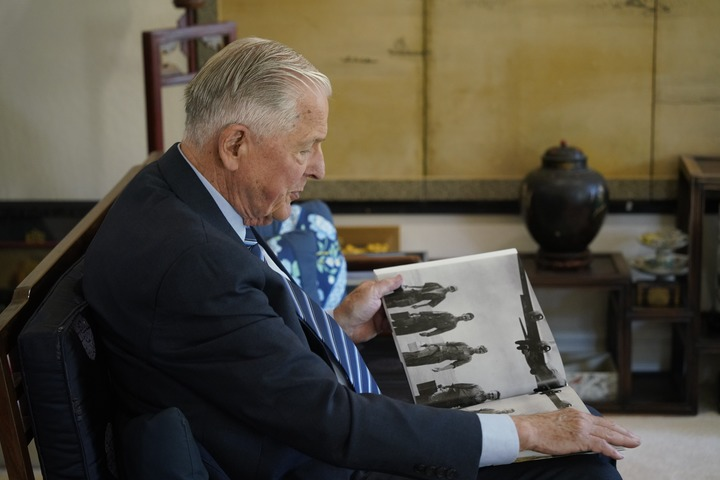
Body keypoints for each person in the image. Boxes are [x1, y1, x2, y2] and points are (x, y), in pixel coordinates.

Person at [83, 37, 640, 479]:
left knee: (562, 423)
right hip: (322, 460)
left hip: (300, 424)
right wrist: (527, 433)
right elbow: (331, 422)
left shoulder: (175, 192)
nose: (319, 167)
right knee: (579, 463)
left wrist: (337, 328)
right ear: (234, 145)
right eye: (305, 147)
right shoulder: (196, 261)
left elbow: (242, 360)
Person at [402, 342, 489, 371]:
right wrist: (430, 344)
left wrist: (441, 369)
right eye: (480, 349)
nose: (479, 351)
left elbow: (454, 365)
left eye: (481, 352)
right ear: (478, 346)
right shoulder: (464, 344)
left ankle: (399, 364)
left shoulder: (468, 358)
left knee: (417, 362)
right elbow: (447, 343)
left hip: (438, 358)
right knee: (415, 355)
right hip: (436, 349)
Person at [390, 310, 475, 336]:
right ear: (463, 314)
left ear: (466, 321)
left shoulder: (453, 326)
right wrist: (419, 313)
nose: (464, 318)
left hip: (425, 327)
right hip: (421, 319)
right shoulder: (448, 313)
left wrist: (428, 334)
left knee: (402, 331)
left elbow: (440, 331)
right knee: (401, 322)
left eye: (466, 318)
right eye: (465, 316)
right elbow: (433, 312)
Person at [384, 282, 458, 309]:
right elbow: (422, 286)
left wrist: (418, 306)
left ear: (452, 292)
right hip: (413, 292)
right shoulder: (436, 285)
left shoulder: (442, 297)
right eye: (451, 287)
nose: (450, 288)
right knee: (394, 296)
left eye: (452, 289)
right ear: (449, 285)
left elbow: (430, 303)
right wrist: (410, 286)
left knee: (396, 303)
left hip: (416, 299)